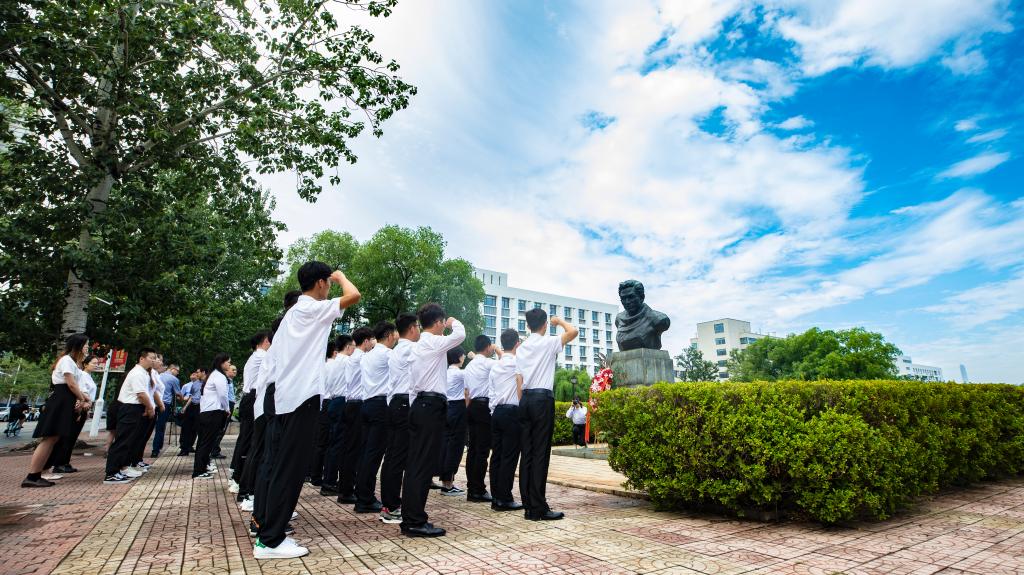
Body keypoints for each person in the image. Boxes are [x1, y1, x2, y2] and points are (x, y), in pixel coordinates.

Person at [253, 263, 359, 560]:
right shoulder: (312, 309)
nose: (330, 287)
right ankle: (270, 541)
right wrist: (342, 277)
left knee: (279, 466)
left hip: (283, 397)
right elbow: (354, 295)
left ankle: (268, 533)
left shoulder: (294, 313)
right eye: (328, 282)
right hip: (300, 398)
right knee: (290, 469)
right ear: (321, 283)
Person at [399, 303, 465, 538]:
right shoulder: (433, 342)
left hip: (420, 405)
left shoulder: (418, 346)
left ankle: (410, 518)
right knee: (422, 465)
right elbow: (460, 335)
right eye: (443, 322)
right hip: (430, 406)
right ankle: (415, 521)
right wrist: (454, 322)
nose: (444, 326)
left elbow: (412, 385)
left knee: (416, 464)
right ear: (437, 323)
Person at [517, 308, 578, 521]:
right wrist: (559, 321)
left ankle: (528, 506)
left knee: (527, 453)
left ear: (528, 325)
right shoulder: (548, 342)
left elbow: (519, 380)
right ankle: (538, 507)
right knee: (540, 453)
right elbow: (573, 332)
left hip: (525, 399)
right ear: (544, 324)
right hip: (542, 400)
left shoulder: (521, 348)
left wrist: (522, 402)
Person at [244, 290, 300, 519]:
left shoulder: (281, 344)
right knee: (269, 456)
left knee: (269, 456)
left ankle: (264, 510)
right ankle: (260, 510)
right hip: (272, 400)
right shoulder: (281, 345)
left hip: (270, 400)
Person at [22, 334, 91, 488]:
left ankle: (36, 474)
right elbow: (71, 384)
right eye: (86, 344)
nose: (87, 347)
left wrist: (84, 398)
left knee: (53, 439)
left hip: (65, 400)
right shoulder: (66, 360)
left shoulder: (72, 362)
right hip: (60, 400)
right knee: (49, 438)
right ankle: (32, 476)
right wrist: (82, 399)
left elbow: (74, 386)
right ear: (78, 346)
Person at [378, 313, 419, 524]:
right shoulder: (411, 349)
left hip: (395, 403)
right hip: (403, 404)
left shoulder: (395, 351)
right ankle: (391, 506)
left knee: (392, 456)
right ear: (412, 328)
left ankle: (389, 503)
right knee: (398, 457)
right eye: (418, 326)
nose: (420, 330)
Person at [354, 321, 398, 513]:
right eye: (395, 333)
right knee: (374, 454)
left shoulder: (367, 356)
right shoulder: (388, 354)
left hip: (367, 404)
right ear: (389, 335)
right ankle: (365, 499)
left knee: (366, 453)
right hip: (380, 405)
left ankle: (362, 495)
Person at [104, 348, 158, 485]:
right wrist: (150, 407)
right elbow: (141, 394)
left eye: (155, 358)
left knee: (129, 441)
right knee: (123, 440)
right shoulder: (137, 373)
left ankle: (119, 469)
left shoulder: (143, 373)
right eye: (151, 357)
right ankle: (111, 473)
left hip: (135, 408)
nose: (153, 360)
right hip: (130, 408)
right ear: (142, 358)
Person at [336, 326, 374, 504]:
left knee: (349, 448)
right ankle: (347, 491)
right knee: (355, 450)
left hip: (350, 404)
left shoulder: (353, 357)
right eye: (371, 340)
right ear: (365, 341)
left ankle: (345, 488)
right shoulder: (361, 357)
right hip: (357, 404)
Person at [488, 329, 524, 511]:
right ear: (517, 343)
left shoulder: (495, 366)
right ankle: (504, 498)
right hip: (512, 413)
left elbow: (491, 392)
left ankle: (496, 497)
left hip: (497, 413)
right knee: (509, 457)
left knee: (496, 456)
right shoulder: (518, 363)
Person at [231, 332, 270, 499]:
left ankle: (238, 479)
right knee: (252, 444)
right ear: (265, 341)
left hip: (249, 398)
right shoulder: (262, 356)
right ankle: (244, 487)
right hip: (254, 398)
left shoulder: (255, 356)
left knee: (247, 441)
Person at [462, 334, 500, 502]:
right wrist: (498, 350)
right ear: (487, 347)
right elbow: (506, 364)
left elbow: (466, 392)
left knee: (473, 449)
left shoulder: (469, 366)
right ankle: (478, 489)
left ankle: (472, 488)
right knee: (482, 450)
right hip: (483, 407)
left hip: (471, 407)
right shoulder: (488, 363)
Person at [49, 354, 100, 473]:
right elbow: (80, 390)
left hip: (84, 407)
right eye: (93, 363)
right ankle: (59, 463)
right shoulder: (82, 374)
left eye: (97, 363)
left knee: (72, 437)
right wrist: (84, 402)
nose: (96, 365)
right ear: (85, 364)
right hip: (79, 407)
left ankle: (65, 462)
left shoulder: (89, 377)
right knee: (68, 436)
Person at [320, 334, 353, 496]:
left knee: (332, 443)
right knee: (339, 444)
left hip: (333, 401)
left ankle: (328, 479)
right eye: (353, 346)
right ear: (347, 346)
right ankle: (330, 482)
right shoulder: (346, 361)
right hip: (341, 402)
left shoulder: (332, 362)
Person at [194, 354, 231, 479]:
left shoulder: (212, 375)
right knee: (206, 442)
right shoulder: (219, 376)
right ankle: (199, 471)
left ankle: (202, 467)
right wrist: (227, 408)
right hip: (213, 412)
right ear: (222, 363)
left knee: (204, 442)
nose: (229, 364)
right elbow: (223, 395)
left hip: (207, 412)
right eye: (228, 362)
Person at [438, 348, 467, 496]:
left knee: (445, 445)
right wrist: (474, 357)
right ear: (459, 357)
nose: (464, 357)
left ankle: (445, 481)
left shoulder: (445, 373)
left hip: (446, 409)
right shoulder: (459, 373)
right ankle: (448, 484)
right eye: (463, 355)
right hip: (457, 409)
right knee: (455, 447)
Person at [308, 340, 337, 487]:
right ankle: (318, 476)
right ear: (335, 352)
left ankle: (314, 474)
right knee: (326, 442)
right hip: (329, 402)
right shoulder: (333, 365)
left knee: (319, 441)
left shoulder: (322, 366)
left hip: (321, 404)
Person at [152, 362, 182, 457]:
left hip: (153, 402)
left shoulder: (158, 375)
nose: (178, 373)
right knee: (160, 427)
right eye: (177, 371)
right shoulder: (174, 379)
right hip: (165, 404)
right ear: (173, 369)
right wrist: (182, 398)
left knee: (149, 426)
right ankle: (156, 450)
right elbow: (178, 394)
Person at [211, 364, 237, 460]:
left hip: (230, 403)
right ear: (227, 371)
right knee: (221, 429)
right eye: (233, 369)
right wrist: (227, 408)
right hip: (227, 404)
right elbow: (223, 395)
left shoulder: (230, 381)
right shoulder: (225, 380)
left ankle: (214, 449)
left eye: (236, 370)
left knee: (222, 429)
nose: (235, 371)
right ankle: (214, 451)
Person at [178, 370, 203, 455]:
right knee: (186, 427)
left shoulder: (207, 383)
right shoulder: (193, 384)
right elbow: (191, 397)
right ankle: (184, 449)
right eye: (195, 373)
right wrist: (185, 407)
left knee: (196, 429)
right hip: (192, 406)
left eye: (198, 372)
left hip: (201, 407)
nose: (196, 374)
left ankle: (191, 447)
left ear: (203, 373)